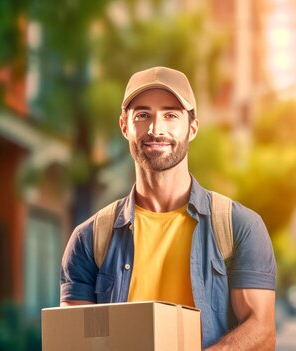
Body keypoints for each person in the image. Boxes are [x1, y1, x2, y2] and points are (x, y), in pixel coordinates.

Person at [60, 66, 277, 350]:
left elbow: (261, 332)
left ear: (192, 127)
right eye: (142, 115)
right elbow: (75, 341)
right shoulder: (89, 239)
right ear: (125, 127)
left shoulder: (239, 226)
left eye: (171, 115)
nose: (155, 129)